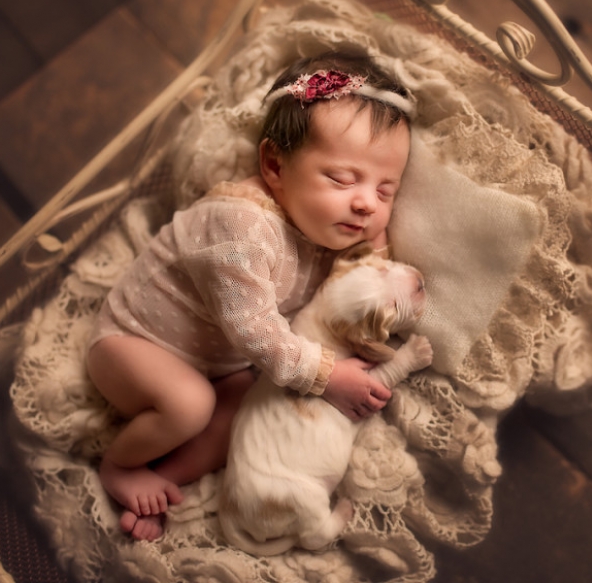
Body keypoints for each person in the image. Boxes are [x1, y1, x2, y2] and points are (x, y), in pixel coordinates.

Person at [86, 50, 414, 540]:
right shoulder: (241, 227)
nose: (366, 201)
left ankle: (165, 478)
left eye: (386, 190)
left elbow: (365, 275)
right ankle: (120, 466)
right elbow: (253, 329)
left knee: (250, 405)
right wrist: (325, 376)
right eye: (342, 179)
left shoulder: (324, 223)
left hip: (218, 362)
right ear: (274, 166)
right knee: (191, 403)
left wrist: (381, 262)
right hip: (132, 345)